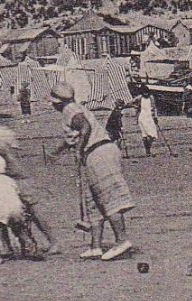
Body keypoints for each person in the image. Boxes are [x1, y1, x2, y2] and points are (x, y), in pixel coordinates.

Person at [49, 82, 135, 261]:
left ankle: (122, 240)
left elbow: (85, 127)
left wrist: (79, 150)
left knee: (107, 198)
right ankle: (95, 246)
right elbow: (74, 136)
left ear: (58, 102)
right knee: (93, 200)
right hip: (97, 153)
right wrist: (57, 152)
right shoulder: (74, 108)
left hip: (98, 153)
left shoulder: (70, 110)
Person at [0, 113, 58, 254]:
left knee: (28, 212)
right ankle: (22, 245)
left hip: (17, 179)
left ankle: (50, 242)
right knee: (8, 211)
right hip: (11, 178)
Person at [0, 153, 41, 260]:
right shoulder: (9, 180)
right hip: (16, 208)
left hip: (1, 209)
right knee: (18, 230)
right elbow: (18, 194)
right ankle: (33, 249)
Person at [136, 86, 160, 158]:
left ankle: (148, 150)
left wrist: (155, 117)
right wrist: (136, 106)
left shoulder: (151, 97)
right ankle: (148, 151)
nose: (145, 94)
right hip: (142, 117)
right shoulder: (140, 97)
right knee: (145, 135)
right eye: (144, 92)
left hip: (149, 117)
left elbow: (154, 108)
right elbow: (131, 102)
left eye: (146, 92)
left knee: (153, 136)